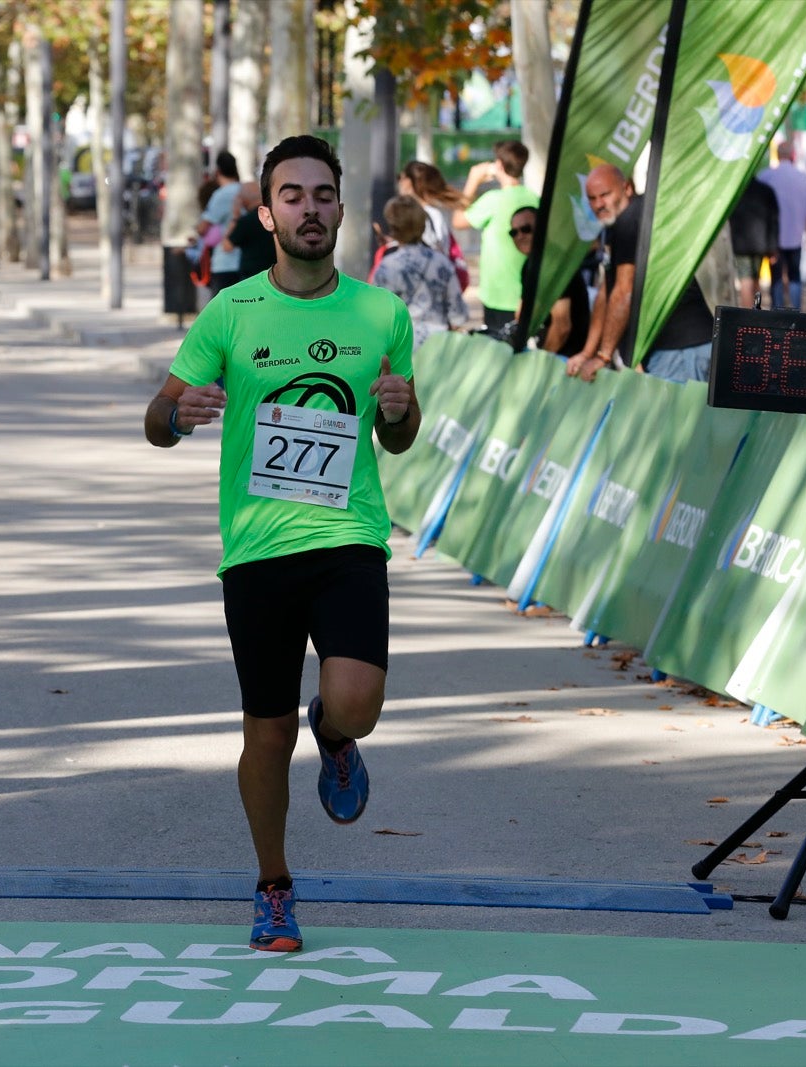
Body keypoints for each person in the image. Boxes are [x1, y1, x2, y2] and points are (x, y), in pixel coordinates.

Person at [143, 134, 418, 953]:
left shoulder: (382, 313)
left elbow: (398, 437)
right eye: (292, 195)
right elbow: (157, 419)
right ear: (266, 213)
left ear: (340, 208)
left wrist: (400, 410)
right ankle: (273, 885)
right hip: (258, 551)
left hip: (348, 538)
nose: (310, 208)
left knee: (357, 701)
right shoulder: (231, 311)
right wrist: (177, 416)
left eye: (323, 194)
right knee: (265, 734)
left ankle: (334, 736)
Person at [567, 163, 714, 383]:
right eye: (592, 198)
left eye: (605, 195)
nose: (598, 204)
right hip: (677, 346)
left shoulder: (632, 219)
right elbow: (607, 293)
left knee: (677, 418)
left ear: (626, 188)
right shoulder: (616, 223)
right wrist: (589, 352)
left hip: (679, 348)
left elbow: (624, 291)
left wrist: (604, 355)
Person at [455, 141, 537, 335]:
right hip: (527, 295)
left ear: (499, 165)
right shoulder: (535, 199)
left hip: (498, 297)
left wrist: (473, 180)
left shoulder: (493, 200)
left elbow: (458, 220)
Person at [371, 194, 469, 348]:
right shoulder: (442, 263)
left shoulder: (386, 267)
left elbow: (376, 317)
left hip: (400, 351)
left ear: (393, 227)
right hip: (438, 350)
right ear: (423, 224)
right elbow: (459, 316)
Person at [513, 206, 591, 355]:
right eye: (513, 232)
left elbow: (562, 326)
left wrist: (541, 362)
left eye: (526, 229)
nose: (519, 236)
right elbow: (521, 314)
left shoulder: (553, 263)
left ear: (543, 228)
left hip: (568, 359)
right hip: (549, 349)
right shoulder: (530, 265)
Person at [757, 140, 806, 310]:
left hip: (773, 237)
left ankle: (777, 313)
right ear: (793, 156)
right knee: (795, 275)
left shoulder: (766, 176)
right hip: (796, 235)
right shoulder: (802, 177)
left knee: (776, 277)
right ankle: (796, 311)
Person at [727, 177, 779, 308]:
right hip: (760, 244)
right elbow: (774, 220)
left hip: (740, 243)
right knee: (756, 280)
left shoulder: (735, 191)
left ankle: (747, 318)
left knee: (745, 280)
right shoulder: (765, 190)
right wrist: (773, 247)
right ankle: (756, 314)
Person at [198, 150, 243, 294]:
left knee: (222, 313)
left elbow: (203, 228)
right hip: (247, 262)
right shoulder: (247, 191)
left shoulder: (221, 195)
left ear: (218, 171)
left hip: (225, 263)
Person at [222, 181, 277, 281]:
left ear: (243, 200)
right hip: (275, 275)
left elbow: (227, 246)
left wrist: (235, 216)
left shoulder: (245, 221)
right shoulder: (274, 216)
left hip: (251, 277)